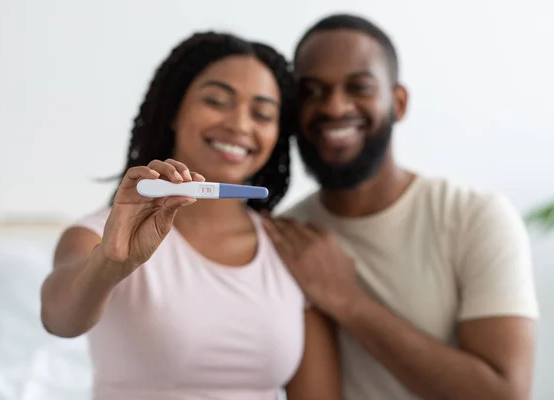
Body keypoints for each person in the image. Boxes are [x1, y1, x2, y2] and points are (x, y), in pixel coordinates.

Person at [40, 31, 341, 400]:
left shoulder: (291, 248)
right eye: (216, 101)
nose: (240, 125)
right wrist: (110, 263)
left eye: (262, 113)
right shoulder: (98, 237)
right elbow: (59, 319)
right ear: (174, 112)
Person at [263, 14, 539, 400]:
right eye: (312, 91)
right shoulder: (285, 236)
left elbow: (505, 394)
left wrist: (348, 301)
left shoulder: (475, 218)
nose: (334, 106)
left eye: (358, 87)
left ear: (398, 102)